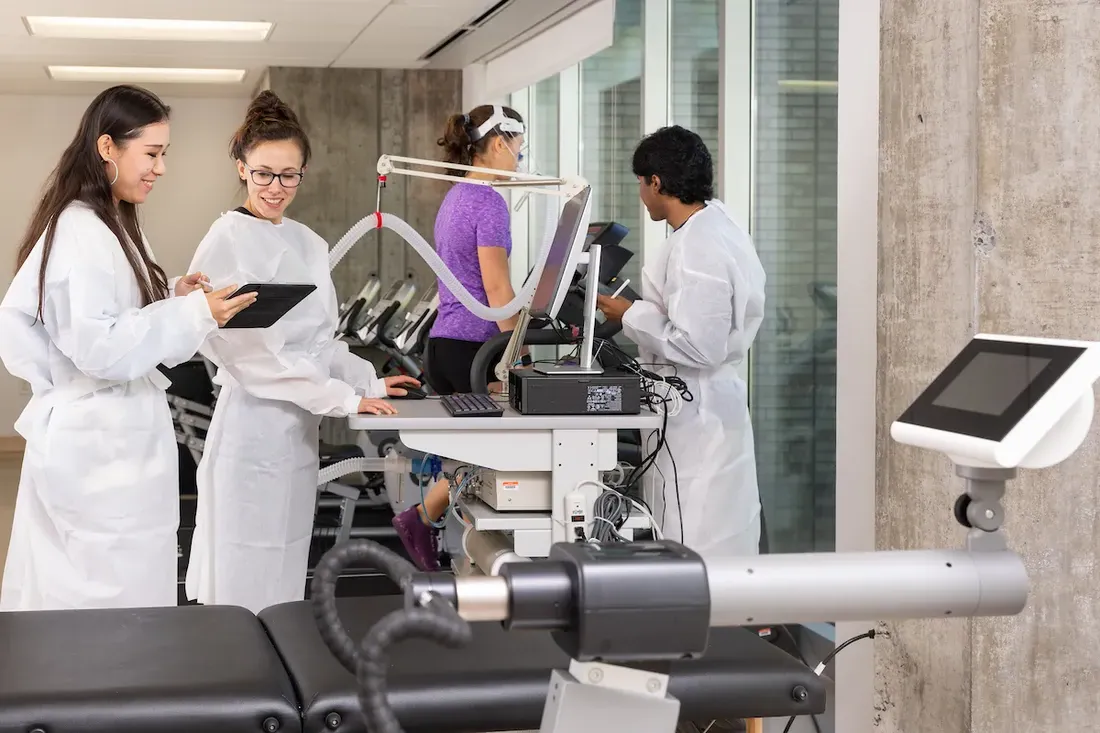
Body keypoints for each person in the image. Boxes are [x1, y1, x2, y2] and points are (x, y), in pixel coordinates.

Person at [0, 85, 257, 611]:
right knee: (98, 598)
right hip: (98, 447)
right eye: (153, 153)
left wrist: (173, 296)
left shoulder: (111, 222)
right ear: (107, 148)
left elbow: (114, 319)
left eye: (165, 154)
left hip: (113, 439)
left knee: (118, 589)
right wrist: (192, 314)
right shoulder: (80, 229)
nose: (161, 168)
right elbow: (100, 350)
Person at [183, 91, 420, 614]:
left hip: (297, 436)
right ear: (242, 169)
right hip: (251, 430)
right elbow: (252, 356)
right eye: (265, 173)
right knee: (244, 572)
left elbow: (320, 343)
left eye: (290, 175)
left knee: (286, 564)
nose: (277, 187)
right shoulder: (228, 237)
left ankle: (279, 683)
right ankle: (239, 684)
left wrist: (368, 384)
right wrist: (344, 399)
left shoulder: (309, 242)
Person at [596, 125, 766, 558]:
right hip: (699, 406)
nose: (641, 193)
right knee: (694, 534)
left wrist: (626, 312)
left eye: (640, 183)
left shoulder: (699, 244)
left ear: (656, 182)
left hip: (698, 411)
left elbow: (699, 345)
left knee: (697, 540)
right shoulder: (714, 226)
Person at [391, 104, 526, 571]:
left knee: (470, 460)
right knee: (496, 456)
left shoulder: (455, 198)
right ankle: (423, 517)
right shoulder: (489, 202)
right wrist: (519, 353)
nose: (520, 161)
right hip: (477, 348)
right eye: (518, 149)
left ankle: (461, 552)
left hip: (445, 343)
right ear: (496, 144)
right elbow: (496, 287)